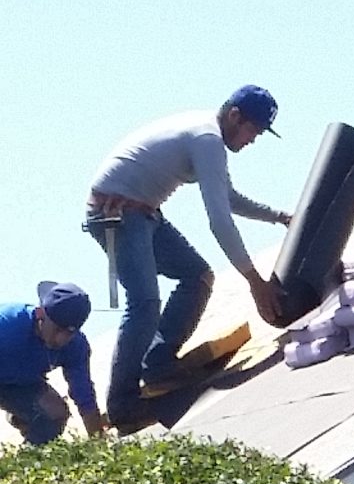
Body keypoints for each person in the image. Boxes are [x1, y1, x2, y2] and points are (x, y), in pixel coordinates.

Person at [85, 86, 292, 423]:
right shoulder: (207, 138)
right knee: (145, 302)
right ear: (234, 116)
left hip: (143, 213)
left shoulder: (207, 136)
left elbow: (228, 198)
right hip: (116, 214)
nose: (252, 140)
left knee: (197, 276)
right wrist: (255, 281)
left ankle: (157, 364)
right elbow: (219, 220)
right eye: (252, 129)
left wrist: (280, 217)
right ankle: (122, 404)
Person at [0, 281, 104, 447]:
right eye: (57, 329)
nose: (61, 340)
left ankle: (26, 462)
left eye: (69, 333)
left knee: (55, 413)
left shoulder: (76, 346)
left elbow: (84, 396)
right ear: (41, 314)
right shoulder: (7, 327)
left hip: (22, 383)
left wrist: (100, 445)